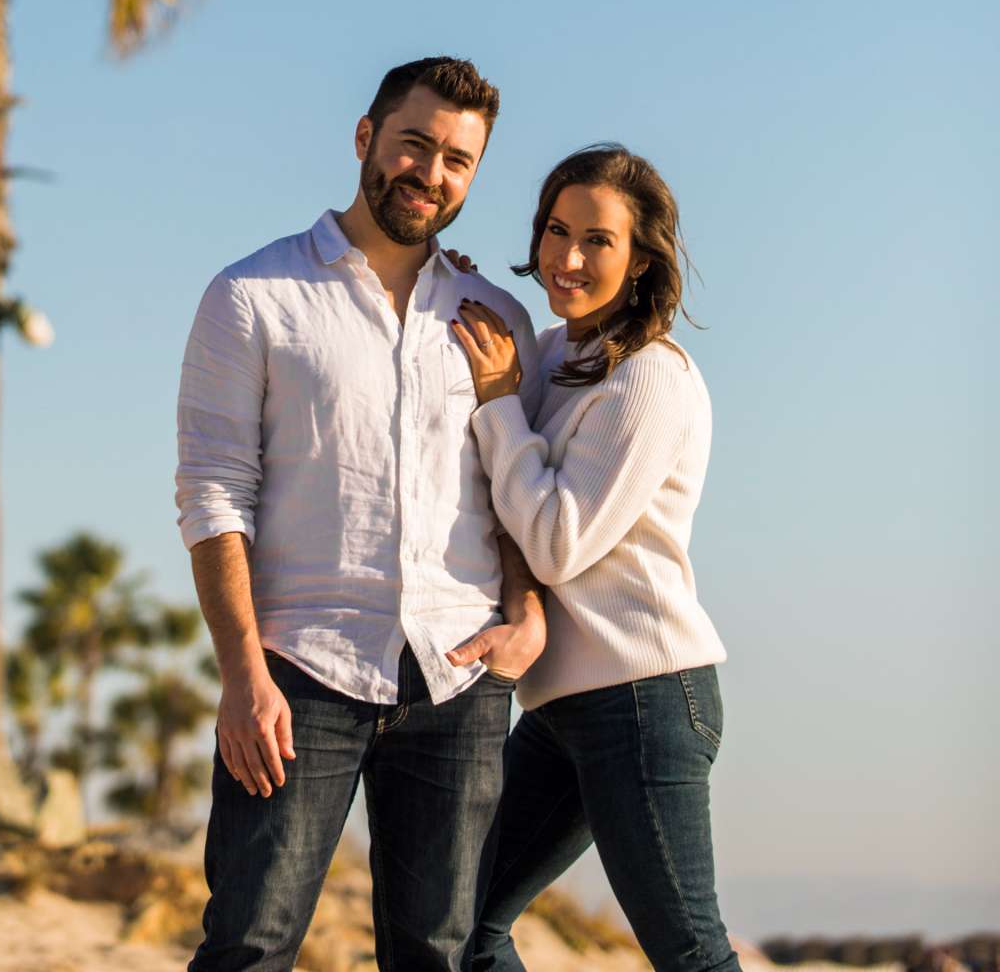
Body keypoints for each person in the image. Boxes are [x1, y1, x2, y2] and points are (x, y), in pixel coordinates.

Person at [176, 55, 548, 972]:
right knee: (248, 947)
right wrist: (242, 674)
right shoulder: (253, 297)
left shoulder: (495, 317)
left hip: (458, 679)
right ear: (365, 140)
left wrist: (528, 611)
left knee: (437, 955)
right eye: (415, 145)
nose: (430, 173)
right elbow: (214, 494)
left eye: (457, 159)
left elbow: (514, 487)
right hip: (299, 675)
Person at [450, 145, 734, 972]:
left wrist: (501, 401)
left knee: (689, 954)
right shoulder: (548, 357)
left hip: (644, 701)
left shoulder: (650, 379)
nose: (567, 259)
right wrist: (454, 289)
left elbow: (554, 542)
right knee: (460, 923)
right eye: (555, 231)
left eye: (596, 241)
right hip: (562, 710)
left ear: (640, 258)